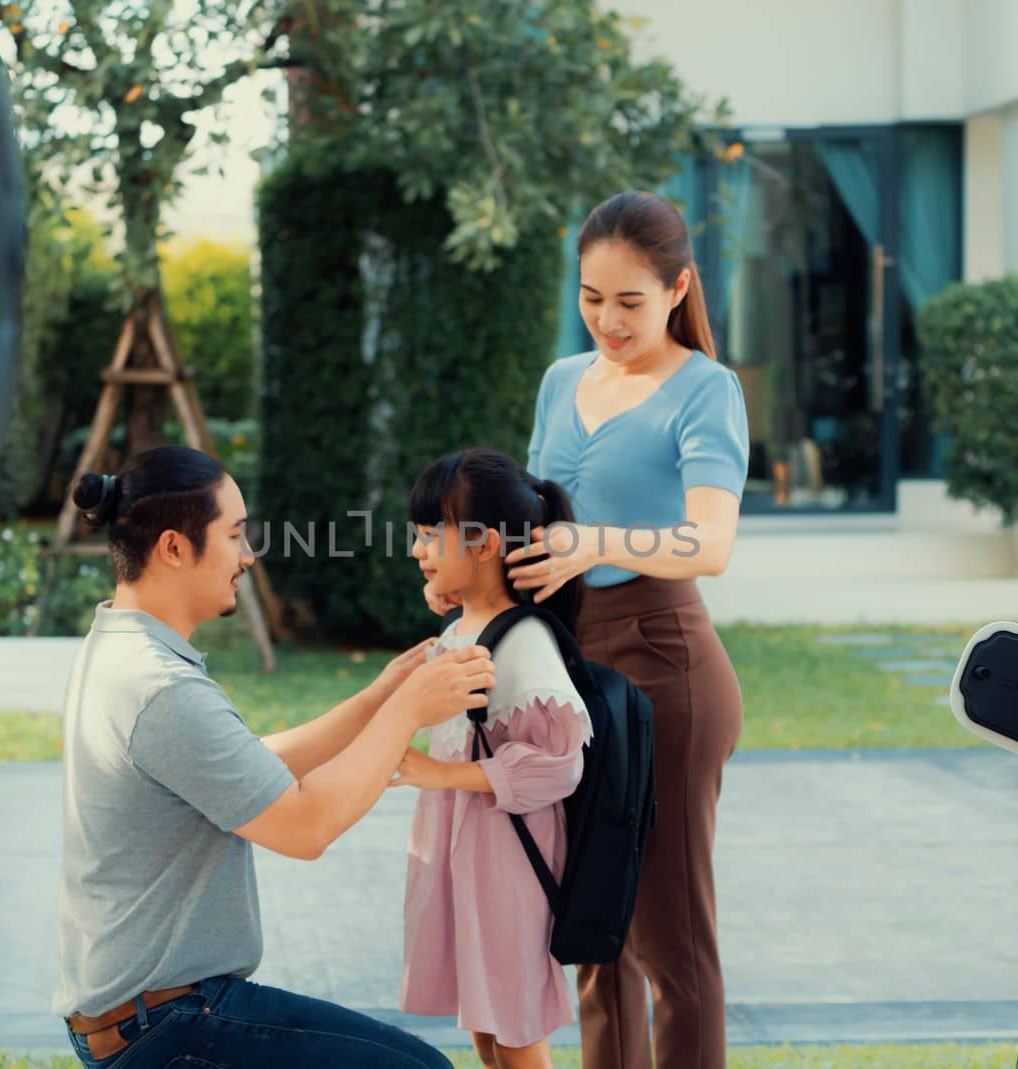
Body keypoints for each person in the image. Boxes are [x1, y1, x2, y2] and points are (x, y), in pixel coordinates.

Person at [431, 190, 751, 1069]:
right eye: (591, 298)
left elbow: (712, 542)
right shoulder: (562, 381)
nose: (607, 321)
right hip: (566, 665)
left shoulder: (707, 391)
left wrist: (594, 543)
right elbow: (535, 528)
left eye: (631, 302)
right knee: (588, 926)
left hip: (666, 665)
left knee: (671, 939)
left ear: (679, 288)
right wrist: (471, 585)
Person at [52, 445, 495, 1069]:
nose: (248, 555)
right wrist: (407, 714)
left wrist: (377, 699)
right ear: (175, 548)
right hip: (167, 1024)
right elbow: (306, 827)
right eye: (235, 535)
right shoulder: (161, 688)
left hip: (142, 1015)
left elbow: (244, 767)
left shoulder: (118, 647)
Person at [389, 449, 593, 1069]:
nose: (418, 550)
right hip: (465, 846)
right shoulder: (468, 626)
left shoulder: (525, 642)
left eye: (430, 536)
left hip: (508, 858)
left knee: (512, 1020)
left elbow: (561, 763)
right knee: (483, 1018)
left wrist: (439, 774)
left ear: (481, 545)